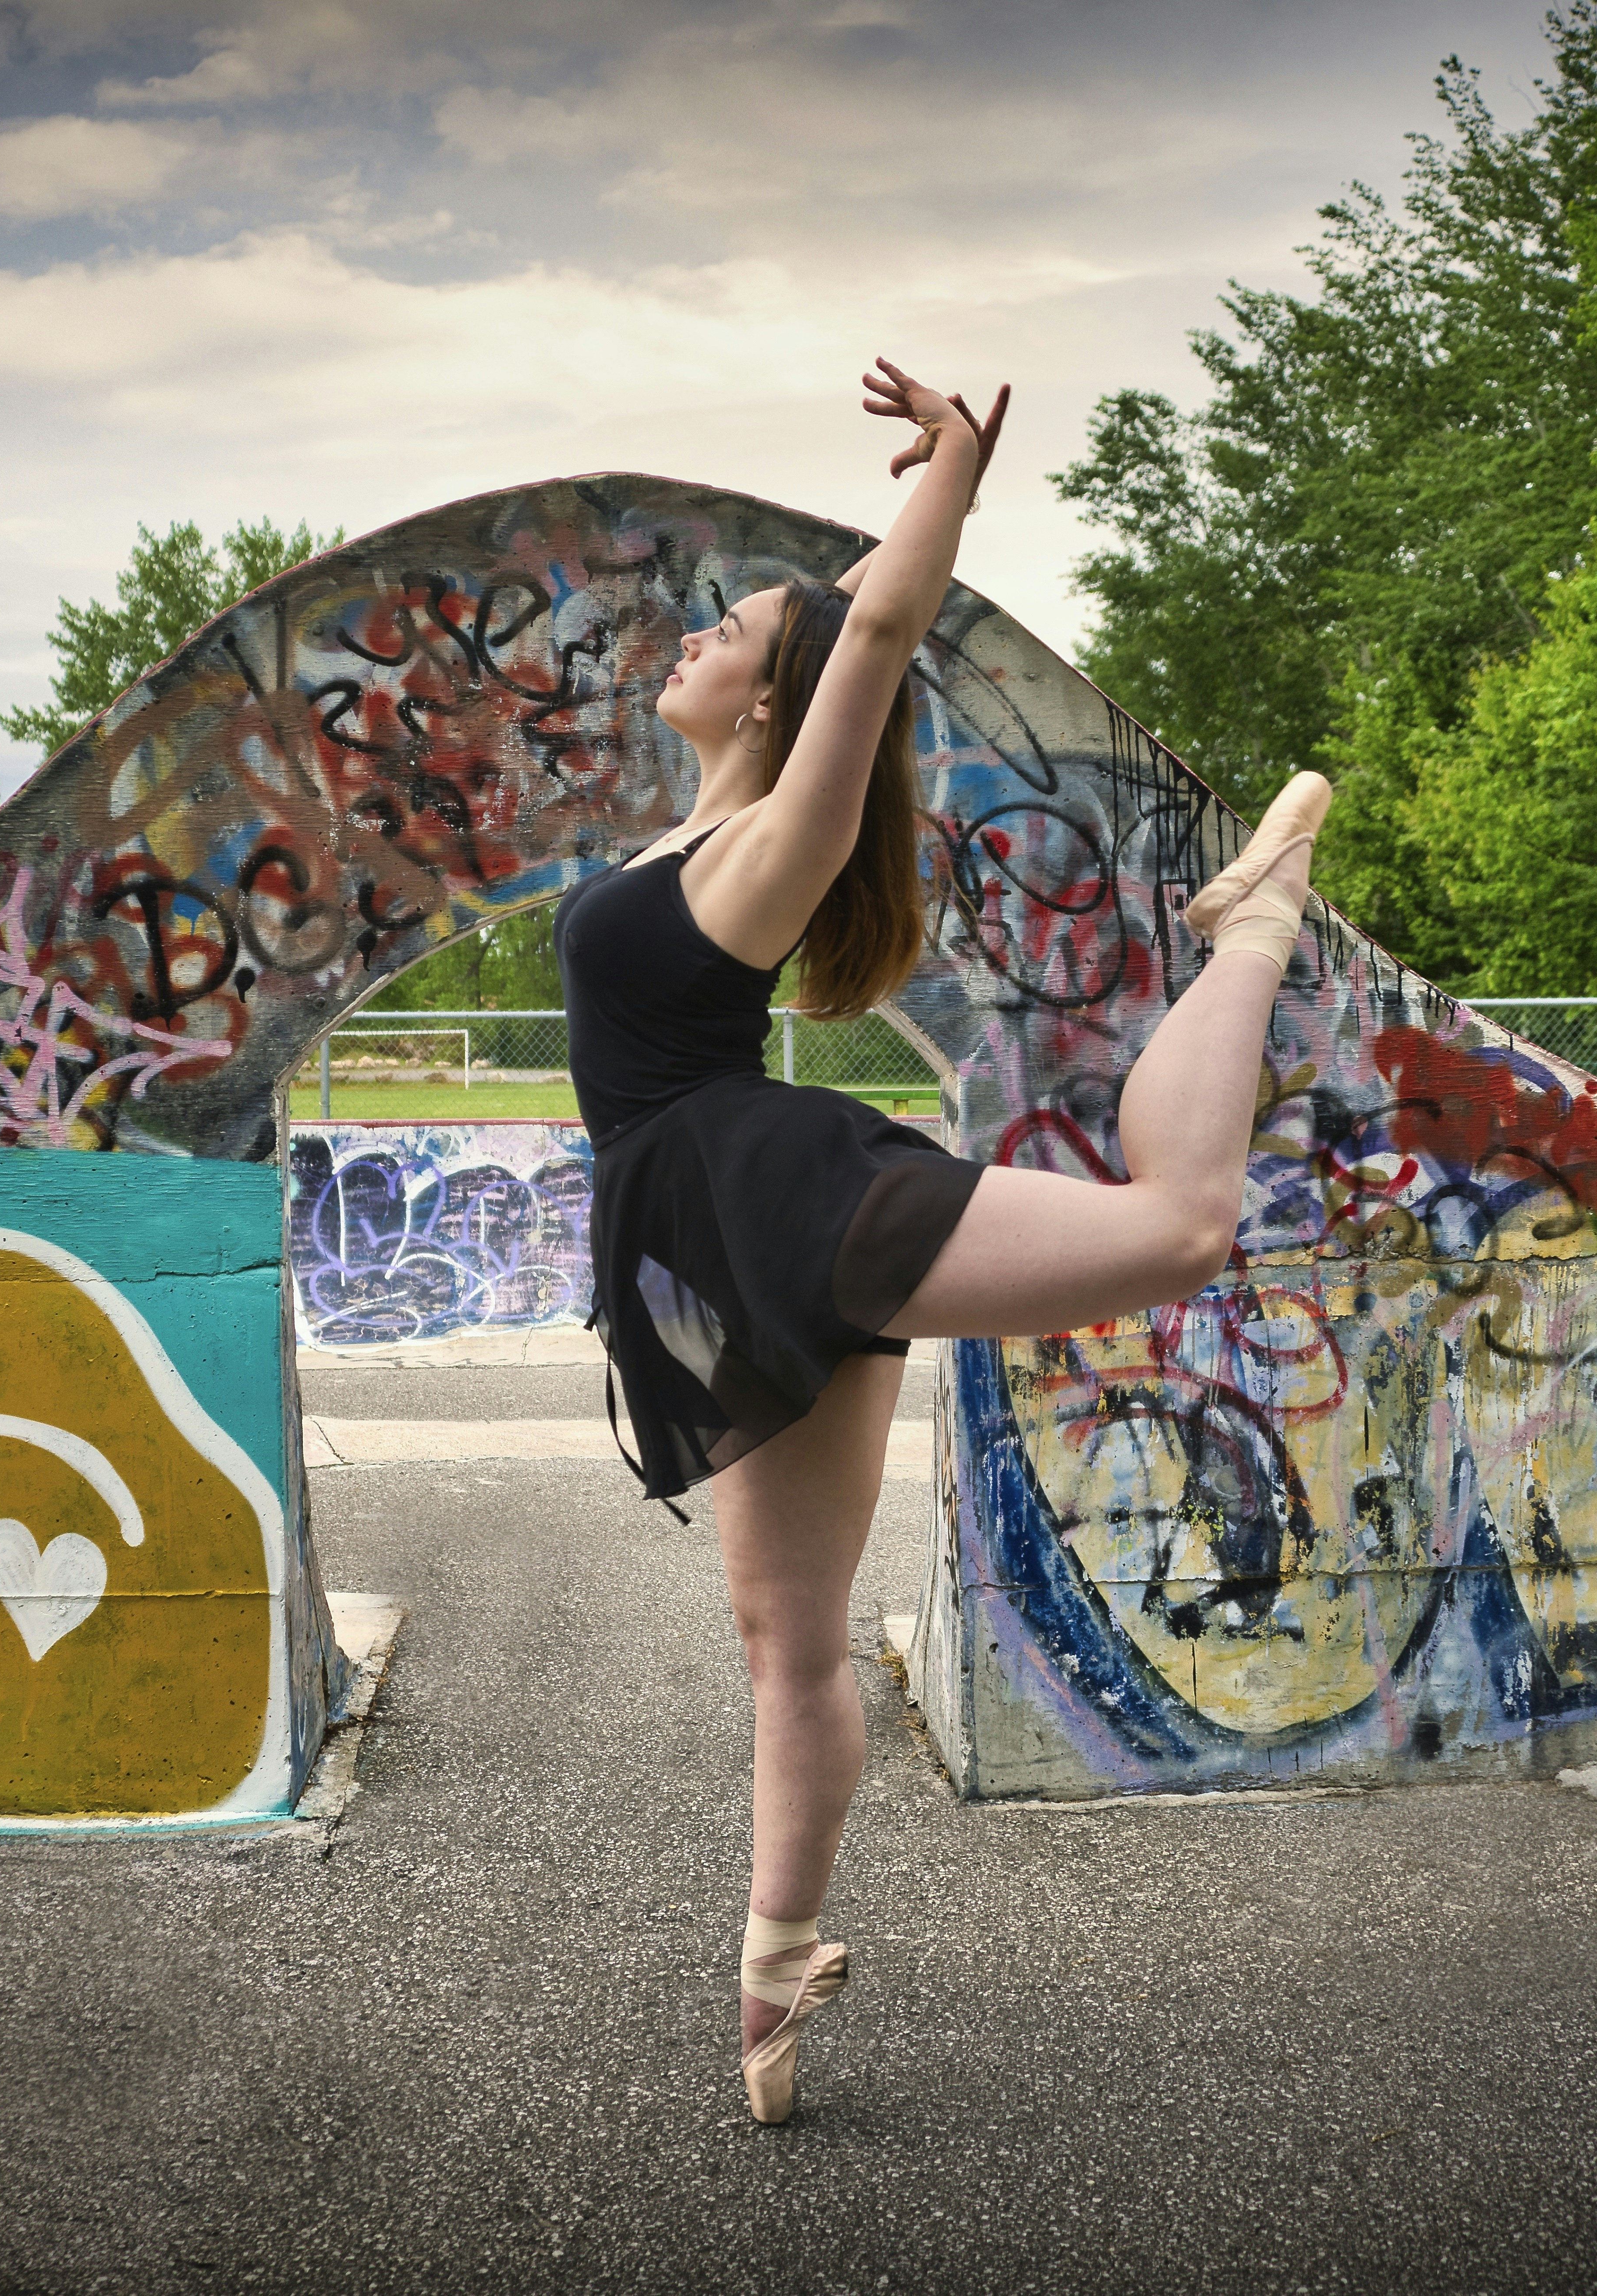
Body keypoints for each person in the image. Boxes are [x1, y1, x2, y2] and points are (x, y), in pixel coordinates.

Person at [552, 358, 1330, 2123]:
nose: (691, 641)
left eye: (729, 627)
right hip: (708, 1241)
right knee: (786, 1633)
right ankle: (775, 1964)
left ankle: (1252, 930)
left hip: (766, 1193)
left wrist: (955, 473)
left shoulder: (769, 841)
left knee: (1182, 1223)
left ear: (776, 691)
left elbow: (882, 630)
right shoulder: (681, 833)